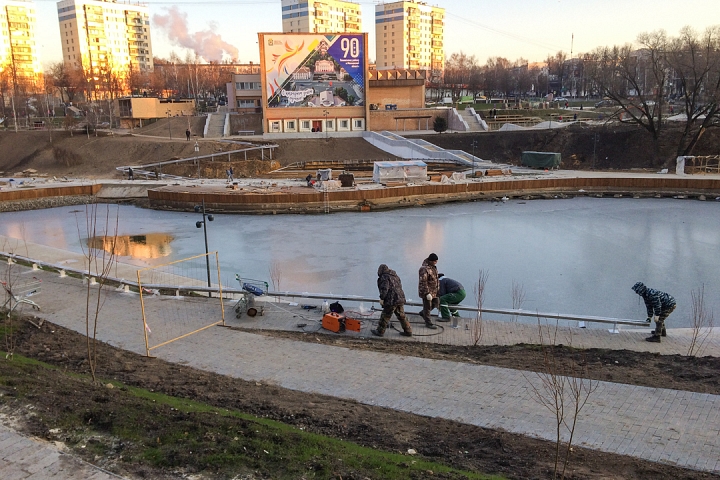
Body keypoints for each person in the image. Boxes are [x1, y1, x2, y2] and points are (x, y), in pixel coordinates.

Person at [372, 264, 412, 337]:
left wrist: (382, 298)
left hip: (391, 300)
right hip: (400, 298)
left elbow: (385, 289)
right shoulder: (395, 276)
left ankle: (380, 331)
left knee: (385, 316)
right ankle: (408, 331)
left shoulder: (384, 277)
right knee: (402, 316)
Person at [418, 253, 440, 329]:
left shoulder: (433, 267)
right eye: (434, 261)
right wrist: (427, 293)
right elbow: (423, 282)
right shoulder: (424, 269)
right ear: (431, 261)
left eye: (436, 261)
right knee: (427, 307)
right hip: (427, 292)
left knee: (436, 303)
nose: (436, 262)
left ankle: (423, 313)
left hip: (434, 291)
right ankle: (428, 323)